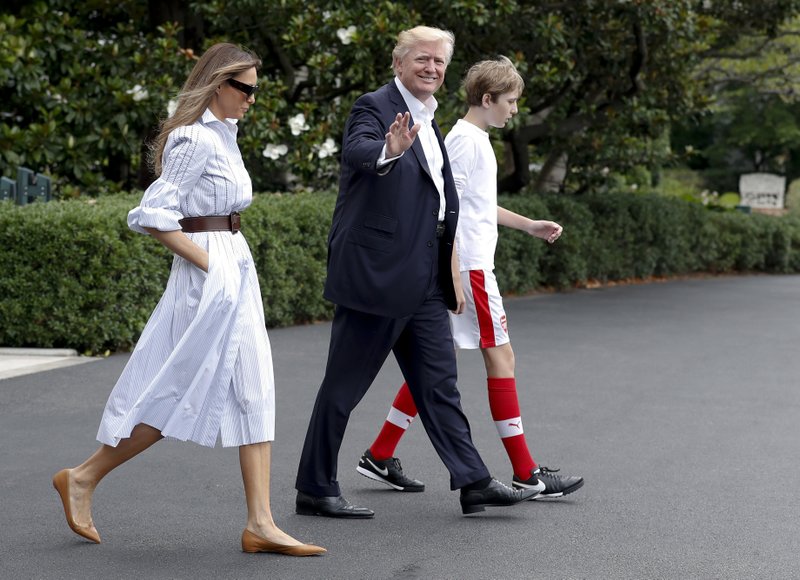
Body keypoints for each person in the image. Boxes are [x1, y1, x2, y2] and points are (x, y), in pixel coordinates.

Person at [52, 43, 325, 557]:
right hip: (208, 278)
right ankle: (84, 477)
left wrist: (228, 264)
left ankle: (261, 524)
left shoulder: (226, 135)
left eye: (254, 91)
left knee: (254, 390)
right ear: (216, 84)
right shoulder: (193, 140)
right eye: (243, 89)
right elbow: (154, 216)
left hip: (233, 268)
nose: (250, 100)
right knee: (173, 389)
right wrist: (211, 265)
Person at [294, 26, 537, 519]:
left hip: (426, 283)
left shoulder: (432, 119)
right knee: (343, 389)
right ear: (399, 63)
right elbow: (361, 153)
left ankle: (473, 481)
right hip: (377, 279)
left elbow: (445, 204)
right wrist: (389, 150)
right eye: (422, 59)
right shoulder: (375, 107)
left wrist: (449, 273)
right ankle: (315, 488)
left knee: (439, 385)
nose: (431, 68)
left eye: (440, 63)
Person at [357, 56, 584, 500]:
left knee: (434, 365)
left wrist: (529, 224)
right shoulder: (465, 142)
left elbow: (475, 205)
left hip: (471, 266)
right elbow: (444, 210)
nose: (515, 110)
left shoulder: (472, 138)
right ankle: (526, 472)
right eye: (512, 101)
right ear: (487, 99)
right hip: (471, 269)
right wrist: (456, 274)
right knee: (501, 359)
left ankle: (380, 454)